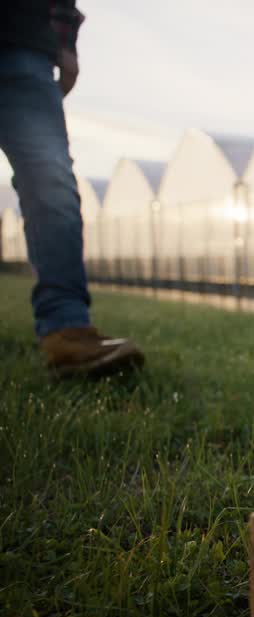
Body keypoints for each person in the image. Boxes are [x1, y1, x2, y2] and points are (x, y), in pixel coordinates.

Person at [1, 0, 144, 376]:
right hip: (26, 50)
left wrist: (66, 43)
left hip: (24, 47)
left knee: (53, 184)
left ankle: (66, 328)